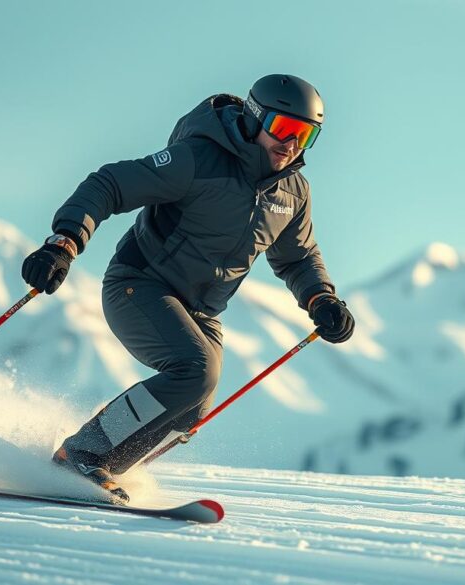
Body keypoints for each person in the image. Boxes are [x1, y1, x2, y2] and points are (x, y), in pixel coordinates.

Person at [21, 74, 355, 503]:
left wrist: (320, 298)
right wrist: (64, 242)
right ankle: (82, 454)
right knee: (195, 372)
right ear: (255, 120)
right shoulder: (198, 160)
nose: (292, 144)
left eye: (306, 135)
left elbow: (298, 257)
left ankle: (100, 466)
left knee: (196, 404)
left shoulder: (292, 192)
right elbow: (110, 183)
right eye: (285, 128)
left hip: (200, 310)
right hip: (139, 285)